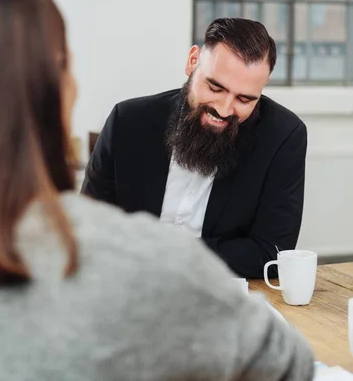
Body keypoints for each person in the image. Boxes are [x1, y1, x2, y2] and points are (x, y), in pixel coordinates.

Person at [0, 0, 314, 381]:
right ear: (60, 92)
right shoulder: (147, 264)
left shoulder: (278, 139)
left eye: (244, 99)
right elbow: (289, 375)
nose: (224, 109)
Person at [82, 18, 307, 279]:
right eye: (214, 87)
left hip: (216, 292)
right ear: (192, 62)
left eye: (244, 99)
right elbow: (89, 228)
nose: (224, 109)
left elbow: (272, 253)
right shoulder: (127, 121)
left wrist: (166, 253)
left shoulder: (284, 136)